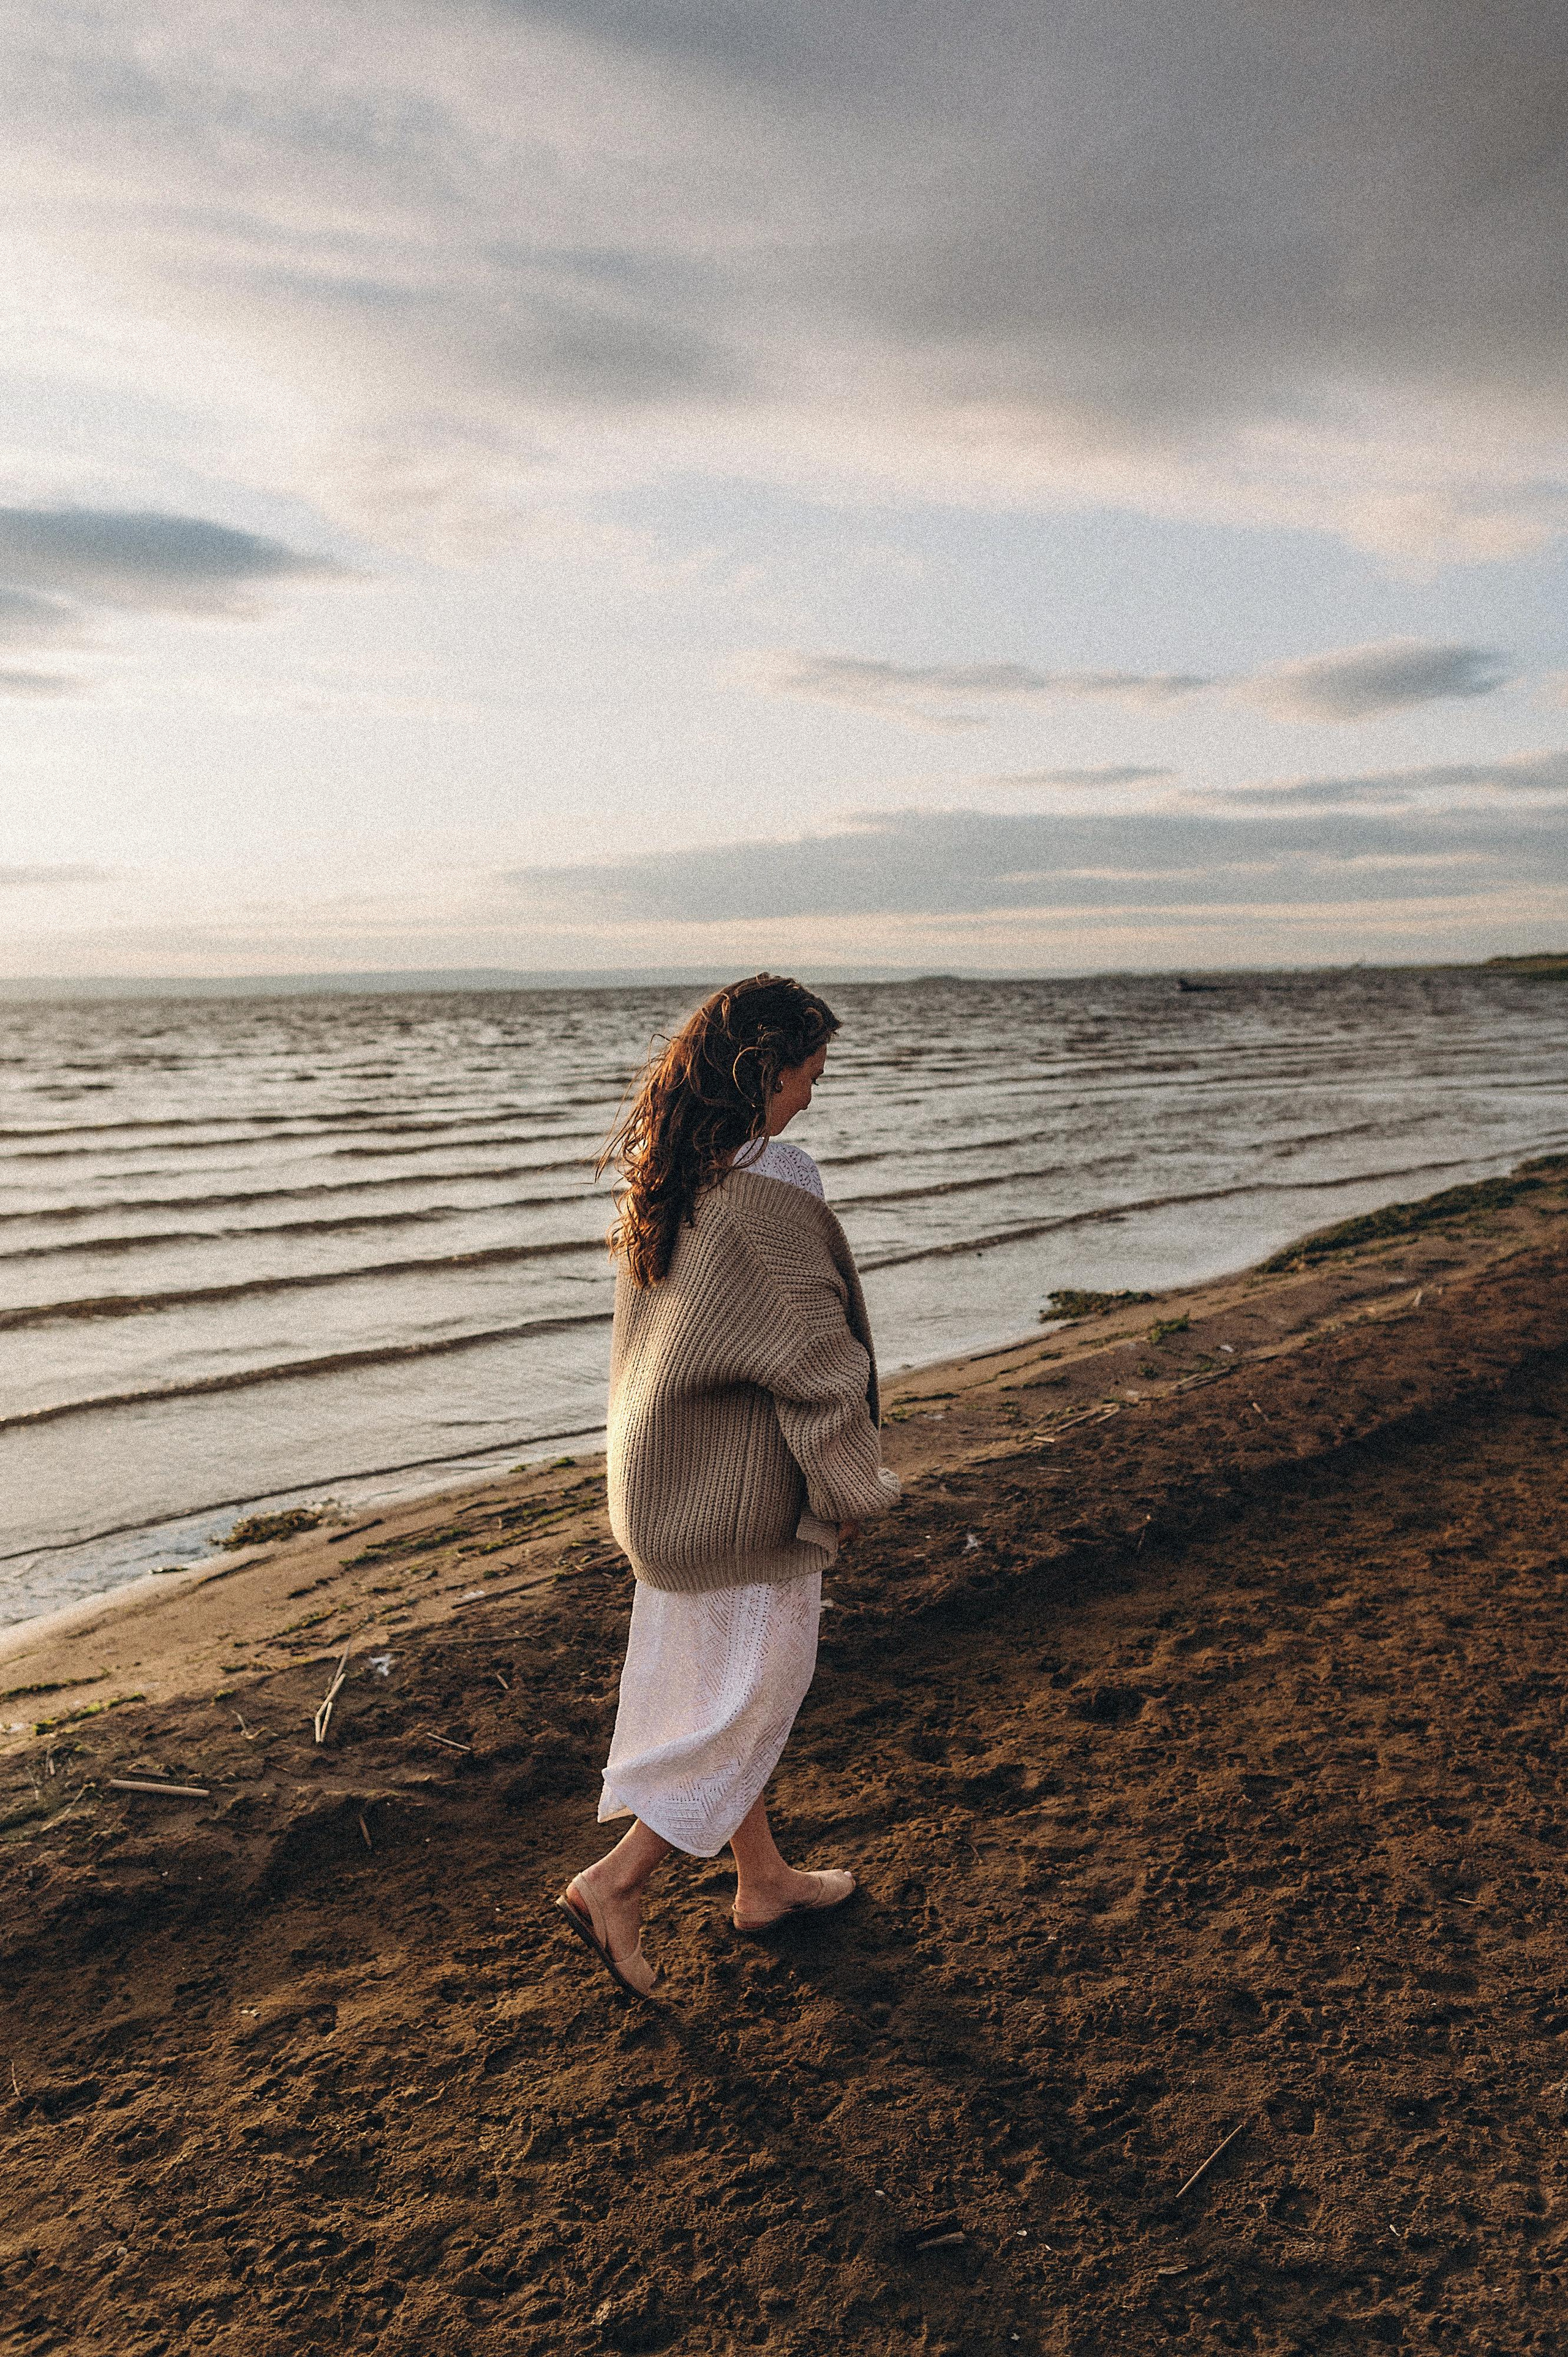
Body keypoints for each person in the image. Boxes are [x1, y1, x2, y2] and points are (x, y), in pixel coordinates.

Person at [556, 974, 900, 1998]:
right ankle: (616, 1886)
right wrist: (847, 1483)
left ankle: (762, 1880)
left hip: (667, 1495)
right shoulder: (767, 1187)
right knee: (755, 1698)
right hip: (740, 1499)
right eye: (806, 1075)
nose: (810, 1097)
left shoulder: (672, 1176)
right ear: (763, 1070)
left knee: (713, 1692)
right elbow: (815, 1357)